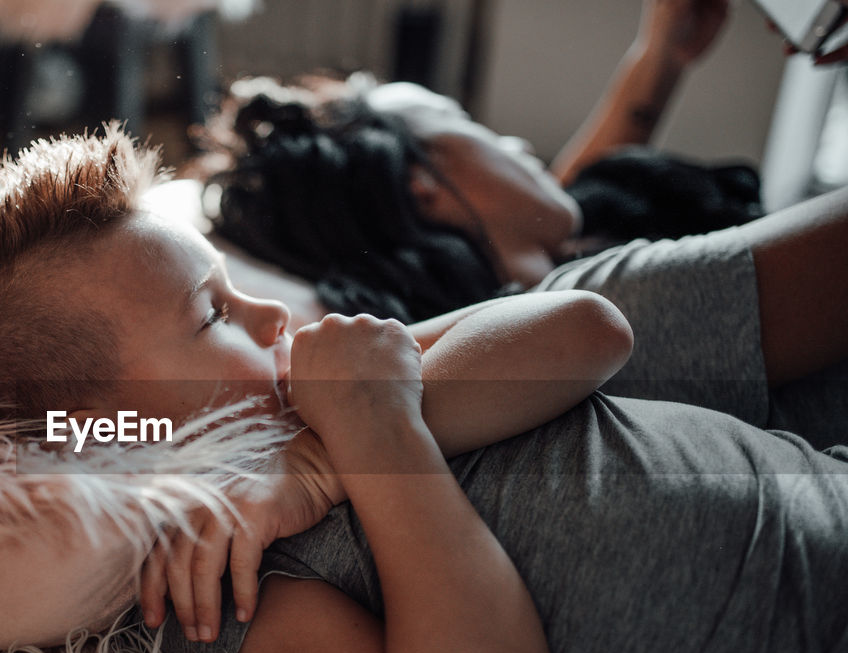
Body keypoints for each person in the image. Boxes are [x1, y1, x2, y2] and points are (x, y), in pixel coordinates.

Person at [0, 126, 848, 653]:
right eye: (212, 311)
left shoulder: (328, 386)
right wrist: (378, 438)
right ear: (104, 437)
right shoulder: (216, 588)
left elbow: (588, 330)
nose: (269, 317)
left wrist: (323, 455)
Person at [196, 0, 848, 449]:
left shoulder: (538, 282)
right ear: (428, 193)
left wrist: (662, 54)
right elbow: (632, 280)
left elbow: (557, 203)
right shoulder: (600, 309)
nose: (516, 143)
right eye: (475, 126)